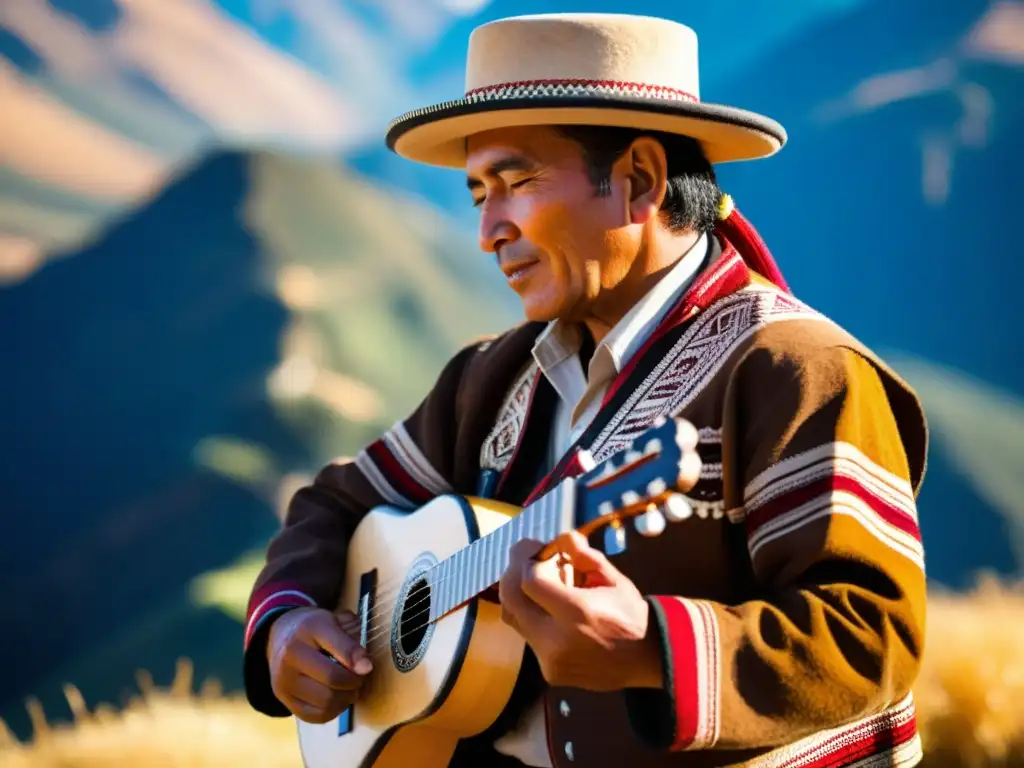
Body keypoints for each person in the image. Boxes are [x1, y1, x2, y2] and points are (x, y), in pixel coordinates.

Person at [242, 12, 929, 768]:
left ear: (639, 179)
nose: (489, 230)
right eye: (478, 196)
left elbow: (870, 637)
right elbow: (336, 506)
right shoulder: (490, 378)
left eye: (516, 182)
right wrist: (285, 623)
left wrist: (650, 646)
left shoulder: (794, 370)